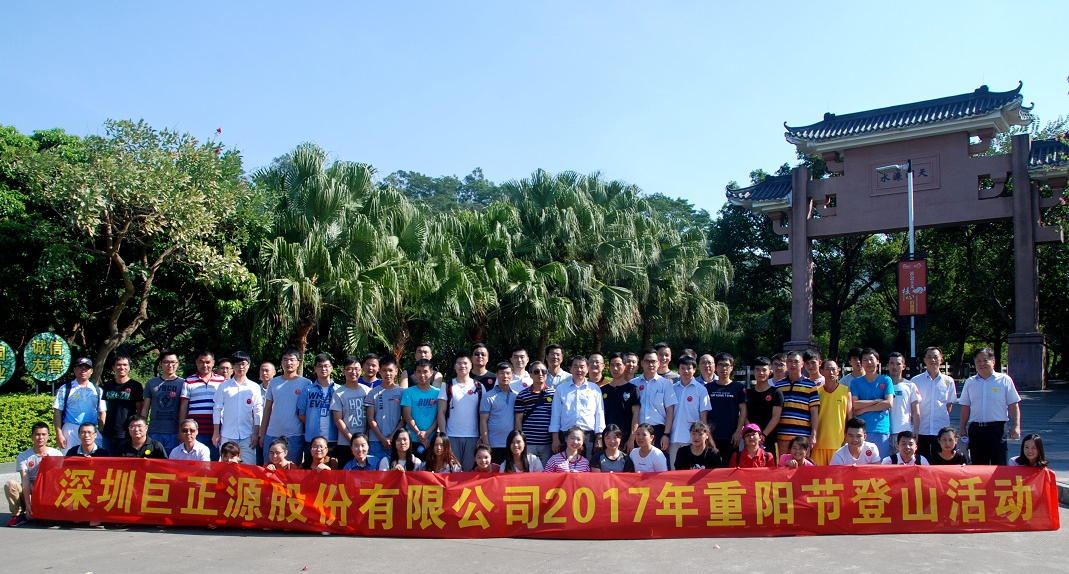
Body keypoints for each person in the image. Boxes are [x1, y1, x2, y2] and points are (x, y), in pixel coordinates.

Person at [958, 347, 1021, 465]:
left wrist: (1016, 426)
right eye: (978, 361)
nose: (982, 364)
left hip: (997, 430)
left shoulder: (1004, 380)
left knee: (999, 466)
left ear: (993, 361)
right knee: (978, 468)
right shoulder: (970, 382)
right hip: (976, 430)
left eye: (985, 360)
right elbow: (965, 406)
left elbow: (1013, 404)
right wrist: (962, 428)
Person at [5, 423, 62, 527]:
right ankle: (17, 515)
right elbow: (25, 481)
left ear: (48, 436)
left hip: (47, 489)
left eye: (43, 434)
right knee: (10, 484)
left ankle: (45, 512)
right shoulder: (23, 456)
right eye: (37, 434)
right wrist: (28, 503)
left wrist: (50, 462)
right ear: (32, 436)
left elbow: (58, 479)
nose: (40, 437)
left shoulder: (56, 454)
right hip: (32, 489)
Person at [549, 355, 606, 459]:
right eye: (575, 366)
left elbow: (599, 414)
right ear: (570, 369)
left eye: (582, 367)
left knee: (587, 465)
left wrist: (599, 437)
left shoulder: (595, 389)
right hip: (566, 435)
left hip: (588, 436)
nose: (579, 370)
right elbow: (555, 414)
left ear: (587, 369)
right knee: (565, 465)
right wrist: (555, 438)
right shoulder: (561, 389)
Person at [261, 349, 311, 465]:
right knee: (269, 470)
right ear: (281, 362)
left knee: (292, 470)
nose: (289, 363)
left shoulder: (306, 383)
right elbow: (267, 409)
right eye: (285, 360)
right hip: (272, 434)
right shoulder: (273, 382)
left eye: (292, 360)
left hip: (294, 435)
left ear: (298, 363)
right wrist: (262, 435)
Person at [212, 351, 263, 465]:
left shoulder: (254, 387)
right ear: (232, 366)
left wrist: (256, 434)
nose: (241, 367)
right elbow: (217, 409)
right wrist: (216, 433)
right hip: (227, 434)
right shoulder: (224, 386)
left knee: (249, 468)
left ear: (248, 365)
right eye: (237, 364)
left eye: (243, 364)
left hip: (247, 435)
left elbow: (258, 411)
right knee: (226, 467)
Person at [911, 347, 958, 462]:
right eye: (929, 357)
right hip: (922, 429)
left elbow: (949, 405)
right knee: (921, 461)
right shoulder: (915, 381)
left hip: (941, 430)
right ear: (924, 360)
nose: (932, 360)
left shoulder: (948, 381)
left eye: (935, 357)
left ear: (941, 360)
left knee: (940, 462)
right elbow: (913, 406)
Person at [437, 352, 482, 471]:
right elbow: (441, 412)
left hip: (473, 436)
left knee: (468, 470)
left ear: (471, 365)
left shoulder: (479, 387)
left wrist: (482, 436)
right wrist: (443, 436)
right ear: (454, 366)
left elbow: (484, 415)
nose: (462, 366)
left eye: (465, 363)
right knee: (452, 470)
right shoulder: (447, 386)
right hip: (451, 436)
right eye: (459, 363)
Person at [53, 357, 106, 452]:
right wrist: (59, 434)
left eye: (86, 368)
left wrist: (101, 431)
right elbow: (57, 412)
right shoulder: (65, 388)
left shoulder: (97, 390)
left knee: (93, 458)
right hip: (70, 430)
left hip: (91, 430)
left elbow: (102, 412)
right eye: (80, 367)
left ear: (91, 371)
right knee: (69, 458)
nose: (83, 371)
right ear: (74, 370)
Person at [180, 350, 225, 460]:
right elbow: (184, 407)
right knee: (195, 462)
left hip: (215, 430)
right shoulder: (188, 381)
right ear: (196, 362)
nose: (204, 365)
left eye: (207, 362)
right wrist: (181, 429)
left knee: (214, 462)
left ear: (213, 363)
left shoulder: (222, 381)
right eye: (201, 362)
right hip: (194, 431)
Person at [774, 351, 820, 459]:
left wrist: (814, 435)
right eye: (790, 361)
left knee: (802, 467)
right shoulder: (779, 385)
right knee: (783, 465)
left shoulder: (811, 385)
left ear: (802, 364)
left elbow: (814, 413)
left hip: (802, 437)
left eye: (796, 361)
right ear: (786, 363)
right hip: (782, 436)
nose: (793, 364)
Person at [703, 352, 746, 466]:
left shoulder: (738, 387)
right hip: (712, 436)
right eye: (720, 365)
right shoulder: (707, 388)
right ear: (715, 367)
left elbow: (743, 410)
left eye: (726, 365)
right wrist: (706, 433)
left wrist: (738, 432)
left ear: (732, 367)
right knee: (711, 467)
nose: (723, 368)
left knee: (730, 467)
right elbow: (704, 412)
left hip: (731, 437)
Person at [631, 349, 676, 453]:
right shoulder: (633, 384)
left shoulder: (666, 384)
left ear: (658, 363)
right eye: (647, 361)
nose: (651, 364)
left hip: (658, 431)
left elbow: (670, 411)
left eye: (653, 361)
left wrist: (666, 435)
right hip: (638, 431)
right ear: (642, 363)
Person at [849, 348, 892, 454]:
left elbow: (888, 403)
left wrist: (864, 410)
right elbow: (855, 404)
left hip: (881, 428)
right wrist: (877, 401)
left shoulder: (886, 380)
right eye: (865, 360)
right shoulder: (855, 382)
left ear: (877, 361)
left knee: (881, 461)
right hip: (861, 430)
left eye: (871, 359)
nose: (868, 362)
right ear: (861, 363)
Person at [299, 353, 341, 461]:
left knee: (332, 468)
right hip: (312, 438)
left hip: (333, 438)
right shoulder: (307, 390)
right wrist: (311, 422)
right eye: (320, 366)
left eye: (326, 366)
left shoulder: (339, 390)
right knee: (310, 468)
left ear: (331, 368)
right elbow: (301, 414)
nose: (323, 369)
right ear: (315, 369)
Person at [331, 356, 371, 467]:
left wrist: (365, 437)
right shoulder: (338, 393)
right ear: (343, 371)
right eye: (349, 369)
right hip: (345, 442)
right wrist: (352, 439)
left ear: (361, 371)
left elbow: (371, 416)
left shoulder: (367, 391)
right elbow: (338, 419)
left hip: (365, 442)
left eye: (356, 369)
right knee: (346, 474)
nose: (353, 372)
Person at [671, 356, 711, 466]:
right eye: (682, 368)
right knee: (674, 471)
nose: (686, 371)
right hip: (674, 437)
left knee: (690, 470)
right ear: (678, 370)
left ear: (694, 370)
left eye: (689, 368)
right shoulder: (672, 388)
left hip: (692, 438)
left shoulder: (701, 389)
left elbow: (703, 416)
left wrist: (703, 436)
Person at [514, 361, 555, 466]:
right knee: (529, 471)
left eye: (543, 371)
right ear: (530, 375)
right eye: (536, 372)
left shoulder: (554, 394)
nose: (540, 374)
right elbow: (518, 419)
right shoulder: (522, 395)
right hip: (529, 443)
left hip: (547, 443)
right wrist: (520, 440)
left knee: (546, 472)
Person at [142, 350, 184, 452]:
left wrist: (181, 431)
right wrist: (142, 428)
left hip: (174, 432)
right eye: (166, 362)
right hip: (154, 431)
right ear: (160, 363)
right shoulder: (151, 383)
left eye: (173, 362)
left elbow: (184, 408)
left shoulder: (183, 383)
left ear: (178, 363)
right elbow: (145, 408)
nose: (170, 365)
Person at [100, 354, 143, 454]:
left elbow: (140, 410)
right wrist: (102, 427)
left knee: (125, 461)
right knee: (107, 460)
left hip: (127, 432)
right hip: (108, 433)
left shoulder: (135, 386)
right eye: (118, 365)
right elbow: (103, 408)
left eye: (125, 365)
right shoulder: (107, 385)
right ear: (113, 367)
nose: (122, 367)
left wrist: (135, 428)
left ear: (129, 367)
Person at [813, 359, 851, 465]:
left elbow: (849, 416)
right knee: (818, 474)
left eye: (834, 369)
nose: (831, 372)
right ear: (822, 371)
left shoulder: (845, 391)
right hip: (819, 443)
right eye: (828, 369)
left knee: (837, 474)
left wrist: (847, 437)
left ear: (838, 371)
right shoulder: (816, 391)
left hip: (838, 442)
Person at [367, 354, 404, 461]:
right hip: (375, 440)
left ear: (396, 371)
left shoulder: (402, 393)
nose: (387, 373)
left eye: (390, 370)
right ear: (379, 371)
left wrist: (392, 437)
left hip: (396, 440)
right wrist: (382, 438)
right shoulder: (372, 393)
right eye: (384, 370)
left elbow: (404, 418)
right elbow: (370, 418)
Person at [400, 358, 439, 457]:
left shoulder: (438, 393)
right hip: (412, 438)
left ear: (431, 373)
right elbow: (406, 415)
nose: (422, 375)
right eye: (419, 372)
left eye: (425, 371)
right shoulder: (408, 392)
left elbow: (439, 416)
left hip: (432, 439)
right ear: (414, 373)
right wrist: (418, 433)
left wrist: (427, 433)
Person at [600, 352, 640, 448]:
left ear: (625, 366)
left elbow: (636, 415)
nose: (615, 368)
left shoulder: (632, 389)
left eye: (618, 365)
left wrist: (632, 438)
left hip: (625, 437)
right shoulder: (602, 390)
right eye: (612, 365)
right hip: (606, 437)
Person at [479, 362, 517, 463]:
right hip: (493, 444)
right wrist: (486, 444)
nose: (505, 376)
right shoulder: (488, 396)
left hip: (511, 444)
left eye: (508, 373)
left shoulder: (516, 396)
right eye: (502, 373)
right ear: (496, 375)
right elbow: (483, 421)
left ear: (512, 376)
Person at [744, 356, 783, 455]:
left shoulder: (776, 393)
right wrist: (752, 433)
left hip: (770, 438)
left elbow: (776, 417)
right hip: (751, 438)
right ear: (753, 372)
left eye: (764, 370)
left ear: (770, 372)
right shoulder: (747, 393)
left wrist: (763, 435)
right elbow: (744, 415)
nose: (761, 373)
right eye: (758, 370)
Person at [887, 352, 920, 449]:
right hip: (885, 431)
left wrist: (916, 430)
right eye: (892, 363)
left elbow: (916, 411)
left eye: (898, 364)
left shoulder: (910, 385)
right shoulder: (881, 385)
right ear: (887, 365)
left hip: (904, 431)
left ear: (903, 366)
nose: (894, 367)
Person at [255, 360, 277, 466]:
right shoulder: (255, 389)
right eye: (262, 370)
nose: (264, 373)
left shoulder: (278, 389)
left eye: (267, 370)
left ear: (274, 372)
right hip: (258, 432)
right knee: (260, 463)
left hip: (274, 431)